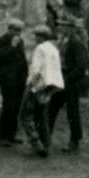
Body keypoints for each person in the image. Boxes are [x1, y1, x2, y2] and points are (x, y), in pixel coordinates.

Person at [25, 25, 64, 157]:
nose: (35, 38)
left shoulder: (40, 48)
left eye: (37, 36)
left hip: (37, 86)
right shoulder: (53, 49)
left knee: (25, 116)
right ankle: (46, 143)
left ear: (41, 37)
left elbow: (36, 70)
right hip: (50, 86)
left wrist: (30, 84)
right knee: (41, 116)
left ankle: (37, 144)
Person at [58, 21, 89, 152]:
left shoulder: (75, 42)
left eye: (62, 25)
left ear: (69, 27)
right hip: (63, 78)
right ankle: (44, 138)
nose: (59, 27)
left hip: (71, 81)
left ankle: (74, 140)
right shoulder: (64, 39)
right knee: (52, 108)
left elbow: (81, 66)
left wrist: (68, 79)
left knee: (72, 111)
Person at [0, 18, 29, 147]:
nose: (18, 33)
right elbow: (3, 57)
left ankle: (11, 134)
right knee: (8, 107)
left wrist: (25, 74)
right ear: (9, 29)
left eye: (20, 30)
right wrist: (12, 46)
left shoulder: (20, 41)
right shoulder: (1, 41)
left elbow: (22, 58)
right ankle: (3, 136)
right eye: (15, 30)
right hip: (8, 80)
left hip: (19, 79)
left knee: (16, 108)